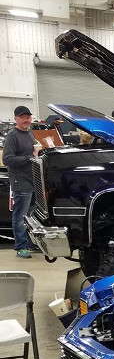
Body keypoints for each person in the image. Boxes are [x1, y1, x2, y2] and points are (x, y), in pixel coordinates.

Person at [2, 105, 38, 258]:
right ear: (16, 118)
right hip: (20, 181)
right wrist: (31, 157)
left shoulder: (30, 133)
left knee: (31, 216)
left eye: (28, 117)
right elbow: (7, 159)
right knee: (20, 216)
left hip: (33, 181)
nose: (26, 120)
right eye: (22, 117)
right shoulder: (12, 136)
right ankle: (21, 247)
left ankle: (30, 243)